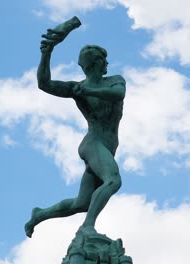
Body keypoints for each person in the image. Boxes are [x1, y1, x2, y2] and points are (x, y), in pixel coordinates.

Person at [24, 27, 126, 238]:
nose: (107, 64)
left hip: (107, 146)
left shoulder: (114, 81)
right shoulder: (76, 89)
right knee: (113, 180)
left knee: (82, 203)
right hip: (93, 143)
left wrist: (89, 91)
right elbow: (44, 84)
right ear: (97, 63)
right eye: (104, 60)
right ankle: (87, 227)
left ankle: (39, 214)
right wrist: (47, 53)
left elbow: (118, 94)